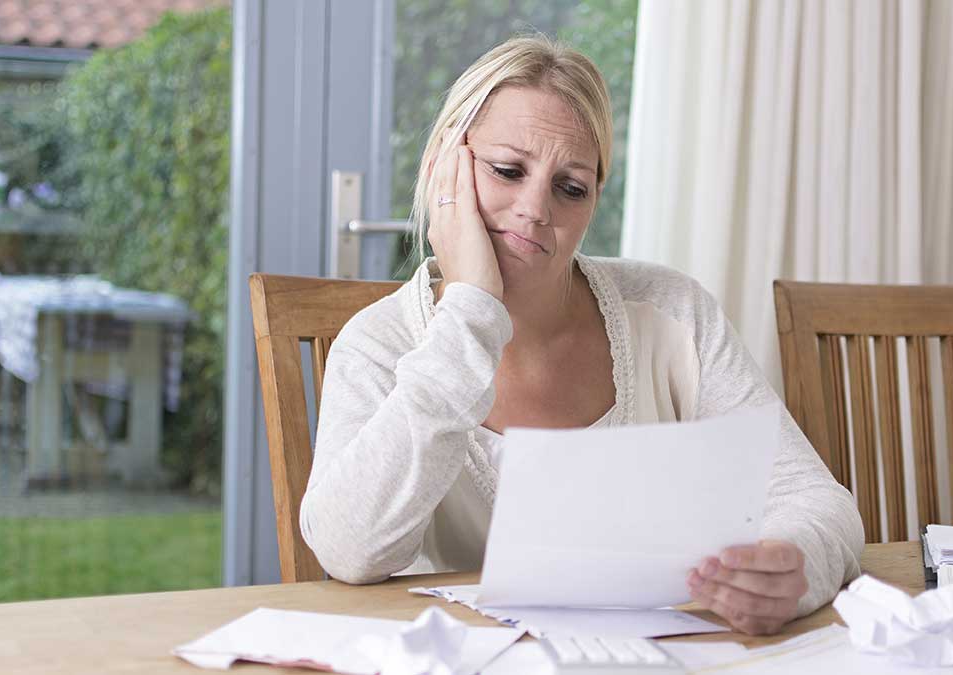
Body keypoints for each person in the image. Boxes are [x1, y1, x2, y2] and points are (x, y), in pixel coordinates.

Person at [301, 35, 864, 636]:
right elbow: (348, 549)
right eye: (507, 170)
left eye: (570, 188)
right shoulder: (378, 345)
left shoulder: (673, 313)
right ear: (446, 167)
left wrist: (794, 563)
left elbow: (817, 500)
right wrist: (471, 311)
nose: (535, 208)